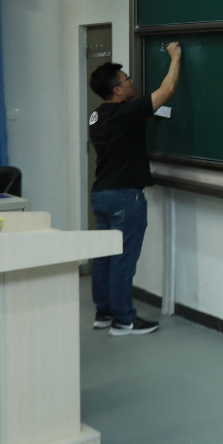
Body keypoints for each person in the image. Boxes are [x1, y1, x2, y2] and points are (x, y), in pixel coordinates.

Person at [87, 42, 182, 337]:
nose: (131, 81)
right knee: (123, 260)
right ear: (117, 90)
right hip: (124, 198)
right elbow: (167, 90)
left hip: (101, 194)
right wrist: (175, 58)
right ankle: (124, 320)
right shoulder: (126, 112)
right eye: (126, 79)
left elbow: (137, 117)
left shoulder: (97, 115)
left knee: (104, 257)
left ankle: (104, 312)